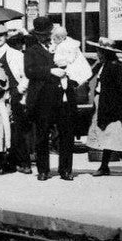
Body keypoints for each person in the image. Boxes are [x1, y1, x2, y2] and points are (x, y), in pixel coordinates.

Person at [23, 17, 77, 181]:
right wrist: (50, 71)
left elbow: (75, 63)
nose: (43, 37)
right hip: (43, 98)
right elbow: (29, 71)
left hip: (63, 96)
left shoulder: (63, 46)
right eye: (40, 35)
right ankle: (43, 170)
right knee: (42, 134)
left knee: (66, 134)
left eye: (46, 34)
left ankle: (65, 169)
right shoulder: (32, 50)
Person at [0, 24, 30, 174]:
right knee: (0, 129)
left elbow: (26, 76)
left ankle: (24, 163)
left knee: (17, 129)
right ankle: (3, 164)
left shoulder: (16, 55)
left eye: (1, 35)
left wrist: (19, 90)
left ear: (6, 37)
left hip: (15, 95)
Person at [86, 39, 122, 178]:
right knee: (107, 136)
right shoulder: (103, 65)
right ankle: (104, 166)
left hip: (111, 105)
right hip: (103, 102)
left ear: (105, 53)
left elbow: (119, 88)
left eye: (99, 52)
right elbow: (89, 75)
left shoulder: (114, 66)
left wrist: (120, 107)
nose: (97, 54)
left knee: (116, 136)